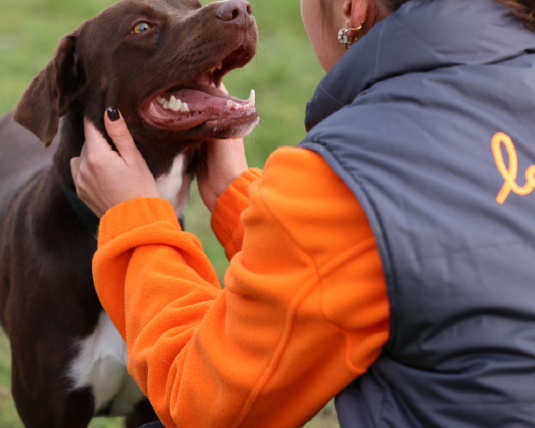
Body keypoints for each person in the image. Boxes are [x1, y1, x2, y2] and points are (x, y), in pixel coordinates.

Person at [70, 0, 535, 426]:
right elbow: (435, 241)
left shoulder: (351, 175)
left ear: (352, 9)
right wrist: (240, 200)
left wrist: (137, 221)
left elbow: (202, 405)